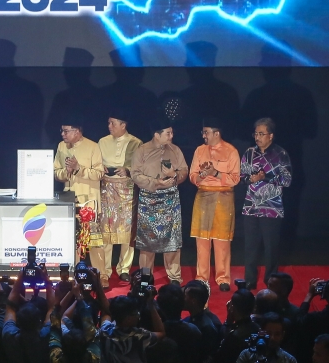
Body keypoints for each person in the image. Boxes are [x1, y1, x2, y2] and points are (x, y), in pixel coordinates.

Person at [131, 119, 188, 285]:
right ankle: (145, 277)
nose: (172, 136)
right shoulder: (142, 150)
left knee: (172, 240)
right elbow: (135, 175)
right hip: (149, 200)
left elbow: (184, 170)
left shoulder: (175, 150)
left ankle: (174, 277)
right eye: (168, 133)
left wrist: (174, 175)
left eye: (171, 132)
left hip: (170, 200)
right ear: (157, 135)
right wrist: (156, 183)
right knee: (147, 242)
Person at [240, 117, 292, 288]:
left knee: (271, 248)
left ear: (271, 136)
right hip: (251, 207)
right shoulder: (249, 153)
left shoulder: (280, 154)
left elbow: (287, 180)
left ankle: (271, 281)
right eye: (256, 134)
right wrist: (251, 179)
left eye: (261, 134)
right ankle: (250, 281)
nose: (257, 137)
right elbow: (241, 177)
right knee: (250, 247)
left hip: (272, 208)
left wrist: (266, 177)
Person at [189, 119, 241, 291]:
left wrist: (216, 173)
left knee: (222, 240)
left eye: (206, 132)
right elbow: (192, 175)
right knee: (202, 240)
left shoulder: (231, 151)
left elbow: (235, 179)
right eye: (203, 132)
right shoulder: (199, 150)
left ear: (216, 133)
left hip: (223, 197)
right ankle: (202, 278)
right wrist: (202, 176)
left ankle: (223, 278)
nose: (203, 135)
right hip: (203, 196)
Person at [53, 118, 106, 276]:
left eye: (66, 131)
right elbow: (56, 172)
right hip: (69, 200)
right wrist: (66, 172)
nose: (62, 134)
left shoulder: (93, 146)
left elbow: (99, 174)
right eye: (62, 131)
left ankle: (101, 275)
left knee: (94, 241)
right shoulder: (61, 146)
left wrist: (78, 169)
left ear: (77, 131)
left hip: (89, 201)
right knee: (71, 238)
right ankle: (73, 273)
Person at [96, 112, 142, 284]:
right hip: (107, 188)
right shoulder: (102, 141)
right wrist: (101, 168)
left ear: (123, 125)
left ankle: (124, 268)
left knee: (127, 231)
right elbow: (96, 163)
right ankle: (105, 270)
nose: (109, 126)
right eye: (108, 123)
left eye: (113, 123)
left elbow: (140, 167)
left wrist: (127, 170)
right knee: (106, 230)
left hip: (127, 190)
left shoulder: (136, 143)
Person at [183, 280, 224, 358]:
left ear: (193, 301)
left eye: (185, 296)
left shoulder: (208, 328)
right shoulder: (189, 319)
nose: (182, 299)